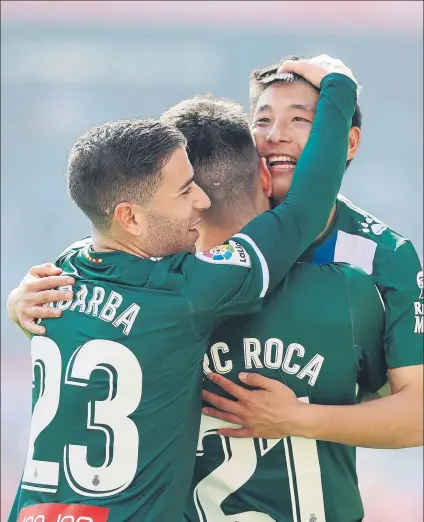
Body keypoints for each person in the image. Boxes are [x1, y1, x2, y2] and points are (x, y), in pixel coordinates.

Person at [6, 60, 358, 522]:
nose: (203, 200)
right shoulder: (184, 292)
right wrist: (340, 87)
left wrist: (15, 305)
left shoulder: (58, 279)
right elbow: (305, 210)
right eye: (185, 190)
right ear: (130, 217)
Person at [201, 55, 423, 451]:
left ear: (346, 141)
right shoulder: (201, 225)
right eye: (263, 120)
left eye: (300, 120)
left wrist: (295, 419)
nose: (276, 136)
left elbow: (417, 417)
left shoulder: (387, 255)